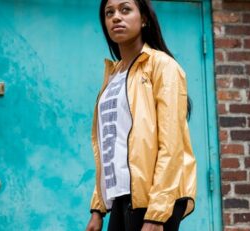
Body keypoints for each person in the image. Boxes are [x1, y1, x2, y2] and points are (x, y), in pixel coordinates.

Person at [85, 0, 196, 230]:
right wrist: (98, 208)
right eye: (109, 13)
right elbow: (111, 144)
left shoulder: (163, 66)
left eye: (125, 9)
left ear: (143, 18)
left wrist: (157, 213)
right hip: (122, 197)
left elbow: (172, 145)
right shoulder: (113, 75)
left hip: (154, 198)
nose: (116, 17)